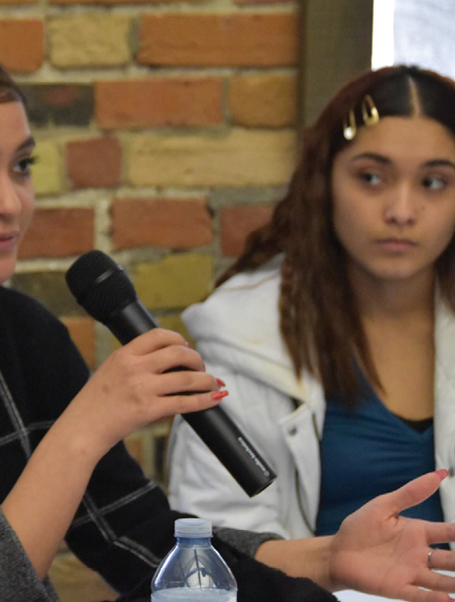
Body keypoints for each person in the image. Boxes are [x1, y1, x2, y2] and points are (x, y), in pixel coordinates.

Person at [0, 38, 455, 602]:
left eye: (22, 166)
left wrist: (329, 559)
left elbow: (148, 548)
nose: (11, 201)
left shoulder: (21, 334)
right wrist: (87, 424)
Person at [168, 66, 455, 541]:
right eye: (371, 177)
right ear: (324, 183)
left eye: (433, 183)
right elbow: (216, 541)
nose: (402, 211)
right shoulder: (245, 337)